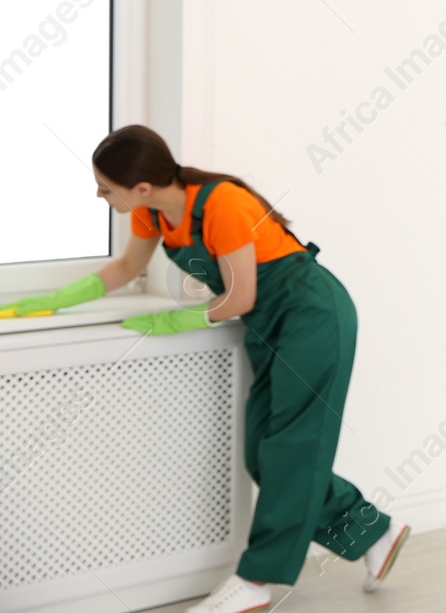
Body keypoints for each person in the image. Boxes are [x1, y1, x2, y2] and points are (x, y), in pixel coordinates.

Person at [2, 126, 408, 613]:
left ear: (142, 187)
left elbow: (241, 296)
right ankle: (372, 531)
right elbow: (127, 267)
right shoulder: (155, 214)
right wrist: (54, 300)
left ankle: (256, 581)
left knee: (294, 447)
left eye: (106, 187)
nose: (99, 194)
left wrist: (177, 318)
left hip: (310, 313)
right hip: (268, 324)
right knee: (262, 452)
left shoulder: (223, 205)